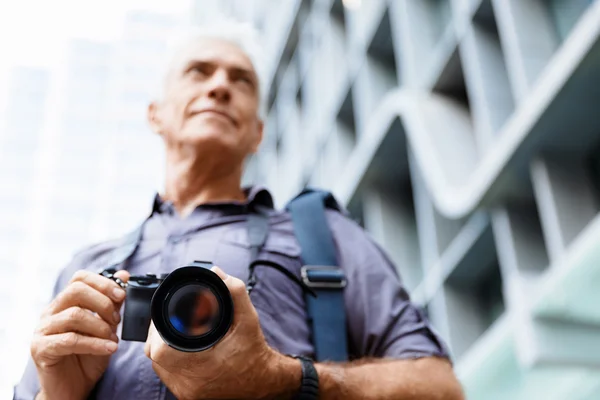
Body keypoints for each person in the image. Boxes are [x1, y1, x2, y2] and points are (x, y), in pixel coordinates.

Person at [14, 20, 464, 400]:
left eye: (240, 80)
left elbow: (441, 387)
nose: (220, 87)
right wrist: (58, 395)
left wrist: (282, 376)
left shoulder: (323, 235)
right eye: (199, 72)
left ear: (258, 133)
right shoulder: (87, 266)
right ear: (156, 114)